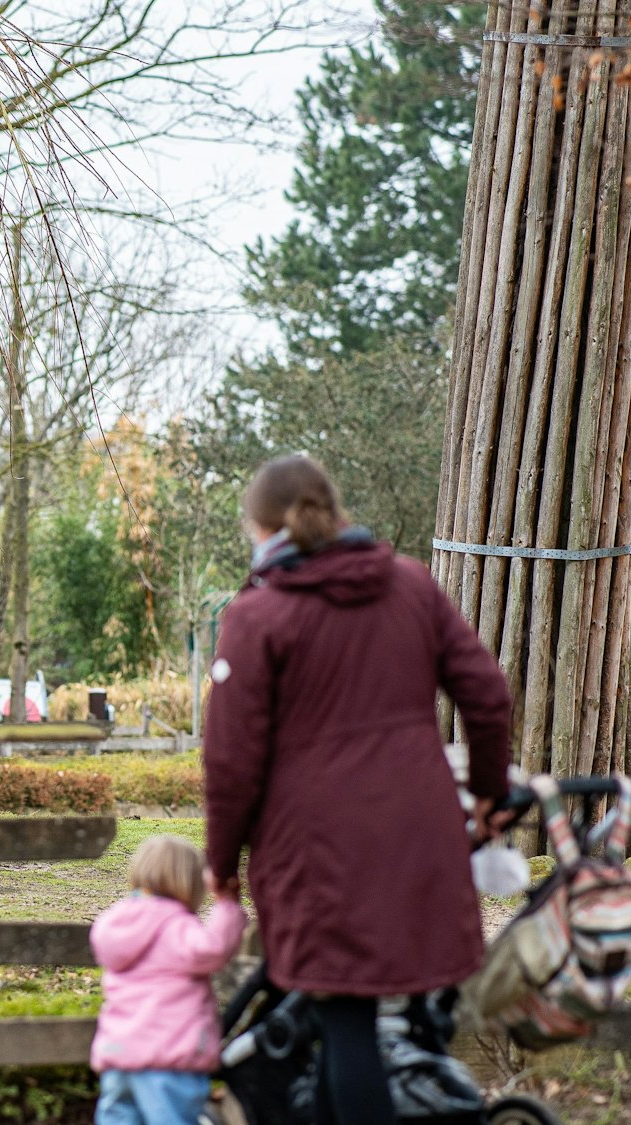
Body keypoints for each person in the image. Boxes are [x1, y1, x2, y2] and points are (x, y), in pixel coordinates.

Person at [203, 455, 513, 1125]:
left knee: (346, 1022)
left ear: (263, 529)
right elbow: (488, 695)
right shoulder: (411, 587)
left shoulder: (259, 616)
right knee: (419, 1009)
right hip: (422, 837)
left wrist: (222, 863)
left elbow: (230, 762)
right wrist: (489, 793)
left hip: (320, 851)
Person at [90, 834, 247, 1125]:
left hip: (119, 1058)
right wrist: (226, 904)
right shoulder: (175, 927)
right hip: (167, 1060)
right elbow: (213, 949)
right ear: (188, 883)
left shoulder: (115, 922)